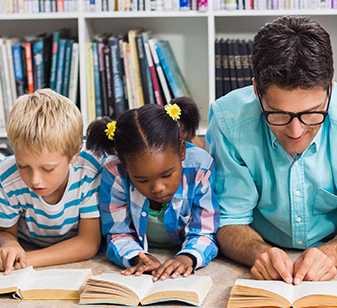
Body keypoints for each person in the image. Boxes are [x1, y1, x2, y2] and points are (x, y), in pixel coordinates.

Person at [206, 16, 337, 284]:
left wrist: (333, 254)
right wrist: (257, 252)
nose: (295, 132)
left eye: (312, 114)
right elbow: (230, 217)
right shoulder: (227, 121)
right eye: (278, 114)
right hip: (262, 246)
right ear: (257, 90)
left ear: (329, 89)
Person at [86, 98, 219, 281]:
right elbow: (117, 232)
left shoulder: (200, 168)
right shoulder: (115, 172)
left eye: (167, 175)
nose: (158, 188)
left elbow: (204, 231)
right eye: (142, 180)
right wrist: (136, 257)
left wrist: (187, 257)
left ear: (182, 150)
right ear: (124, 165)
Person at [0, 89, 102, 272]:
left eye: (48, 169)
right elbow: (5, 231)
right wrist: (9, 244)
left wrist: (24, 261)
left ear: (74, 155)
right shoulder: (6, 178)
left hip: (38, 253)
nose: (35, 180)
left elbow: (88, 243)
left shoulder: (89, 169)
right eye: (23, 166)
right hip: (28, 242)